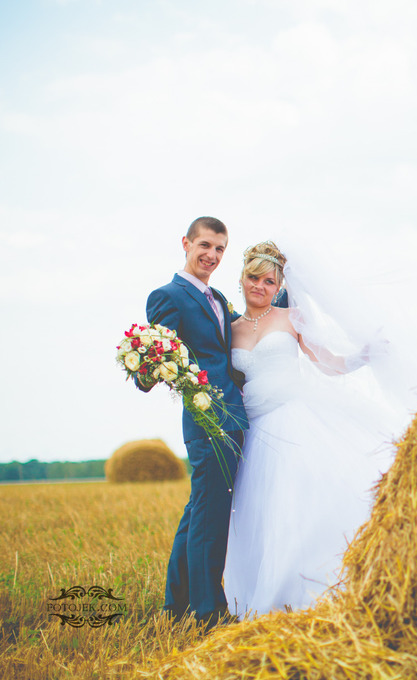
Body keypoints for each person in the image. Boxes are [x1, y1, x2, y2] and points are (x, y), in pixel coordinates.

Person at [223, 241, 399, 619]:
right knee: (259, 514)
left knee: (294, 506)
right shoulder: (229, 329)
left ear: (279, 286)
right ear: (241, 278)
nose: (260, 286)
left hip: (292, 420)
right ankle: (265, 595)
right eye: (254, 278)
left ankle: (303, 591)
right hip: (255, 430)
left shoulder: (291, 318)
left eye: (269, 282)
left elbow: (326, 362)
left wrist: (362, 356)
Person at [139, 216, 248, 628]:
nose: (212, 255)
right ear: (185, 243)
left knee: (200, 509)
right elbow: (159, 353)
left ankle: (177, 603)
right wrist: (144, 369)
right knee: (210, 514)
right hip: (205, 419)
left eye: (220, 249)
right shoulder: (168, 296)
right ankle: (208, 610)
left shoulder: (218, 298)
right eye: (205, 245)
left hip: (233, 415)